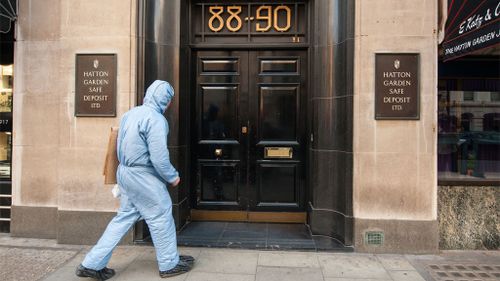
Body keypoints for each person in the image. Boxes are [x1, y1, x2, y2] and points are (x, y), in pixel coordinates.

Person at [76, 80, 194, 280]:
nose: (170, 104)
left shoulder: (130, 114)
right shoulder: (156, 119)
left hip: (126, 173)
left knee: (123, 217)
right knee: (161, 215)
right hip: (143, 176)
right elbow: (159, 157)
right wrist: (172, 176)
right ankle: (169, 264)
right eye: (169, 99)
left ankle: (91, 263)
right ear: (165, 99)